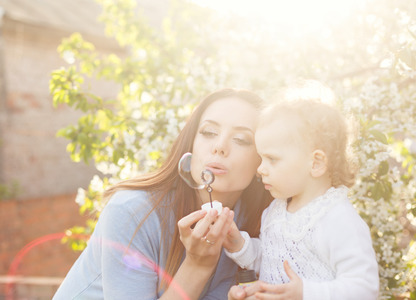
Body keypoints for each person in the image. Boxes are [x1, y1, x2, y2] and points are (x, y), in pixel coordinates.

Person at [53, 88, 272, 300]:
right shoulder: (132, 211)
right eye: (208, 132)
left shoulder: (252, 229)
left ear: (263, 159)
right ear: (192, 143)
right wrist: (198, 265)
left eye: (242, 139)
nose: (219, 146)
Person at [225, 90, 379, 299]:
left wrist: (306, 293)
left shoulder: (338, 219)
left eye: (272, 159)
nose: (260, 169)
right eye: (261, 158)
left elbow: (364, 288)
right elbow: (272, 258)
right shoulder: (276, 211)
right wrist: (240, 246)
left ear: (315, 163)